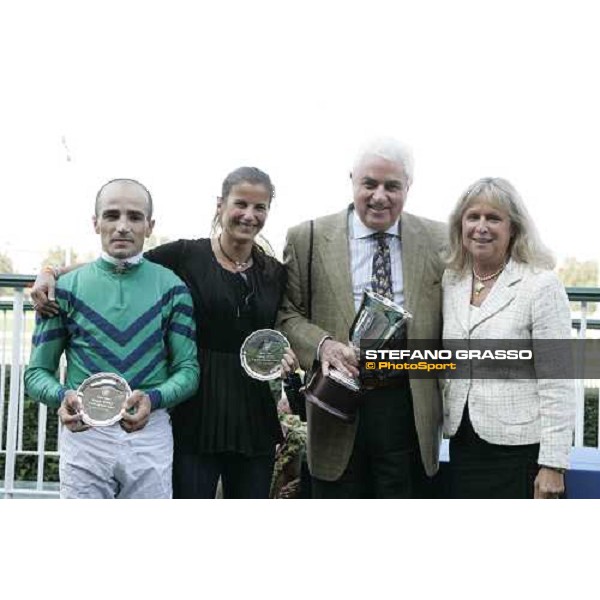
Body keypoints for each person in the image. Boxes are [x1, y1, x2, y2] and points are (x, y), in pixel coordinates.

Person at [32, 167, 298, 499]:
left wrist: (290, 354)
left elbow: (289, 323)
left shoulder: (274, 272)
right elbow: (123, 261)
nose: (249, 215)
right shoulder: (185, 255)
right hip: (197, 412)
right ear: (221, 205)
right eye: (240, 204)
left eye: (260, 207)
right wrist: (50, 272)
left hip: (251, 409)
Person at [277, 138, 446, 498]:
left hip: (408, 406)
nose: (380, 196)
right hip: (335, 404)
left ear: (408, 188)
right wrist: (323, 346)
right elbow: (287, 314)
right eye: (369, 184)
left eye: (392, 186)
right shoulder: (307, 238)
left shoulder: (440, 239)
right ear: (353, 180)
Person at [25, 178, 199, 499]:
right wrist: (63, 396)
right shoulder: (63, 290)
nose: (122, 226)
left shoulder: (173, 288)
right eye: (111, 215)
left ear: (150, 226)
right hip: (85, 435)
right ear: (95, 223)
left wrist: (154, 399)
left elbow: (188, 371)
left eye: (134, 217)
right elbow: (36, 374)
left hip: (150, 431)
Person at [442, 177, 575, 498]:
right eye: (473, 217)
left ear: (513, 228)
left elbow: (558, 380)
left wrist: (553, 465)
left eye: (494, 218)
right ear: (460, 225)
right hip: (463, 444)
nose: (481, 227)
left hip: (520, 452)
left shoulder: (541, 285)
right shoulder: (452, 281)